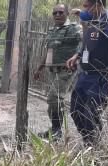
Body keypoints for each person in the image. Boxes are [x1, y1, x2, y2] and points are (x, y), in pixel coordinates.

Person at [66, 0, 108, 146]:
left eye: (87, 6)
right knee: (75, 110)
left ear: (98, 5)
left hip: (102, 76)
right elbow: (89, 43)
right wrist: (77, 55)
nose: (84, 8)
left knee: (91, 113)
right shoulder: (94, 20)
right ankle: (88, 142)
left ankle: (95, 147)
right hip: (85, 75)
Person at [33, 4, 82, 140]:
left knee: (54, 97)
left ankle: (57, 131)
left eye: (61, 12)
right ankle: (55, 129)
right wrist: (39, 68)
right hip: (53, 69)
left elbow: (83, 42)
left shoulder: (74, 28)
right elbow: (49, 51)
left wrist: (77, 56)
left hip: (67, 69)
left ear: (66, 13)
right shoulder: (52, 30)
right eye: (55, 13)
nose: (57, 15)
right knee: (53, 100)